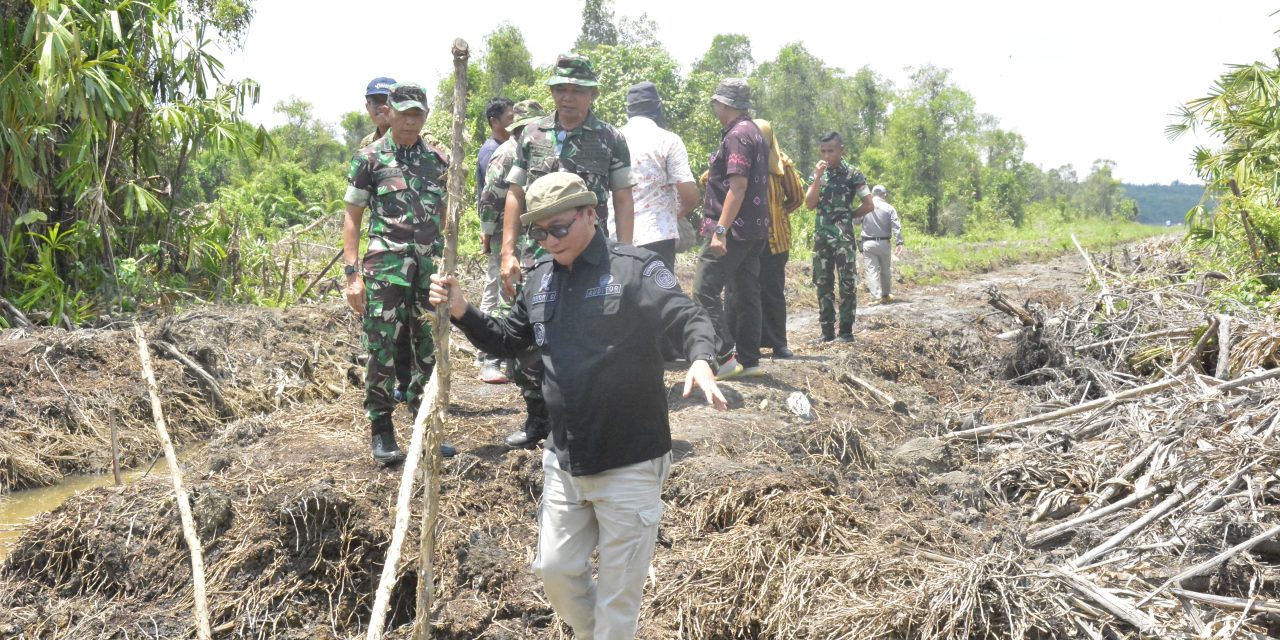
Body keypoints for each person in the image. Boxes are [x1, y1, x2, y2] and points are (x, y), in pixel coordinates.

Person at [428, 172, 727, 639]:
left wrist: (702, 359)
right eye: (539, 233)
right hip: (565, 457)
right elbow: (507, 339)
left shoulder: (635, 269)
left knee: (618, 600)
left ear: (591, 214)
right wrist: (462, 311)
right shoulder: (539, 280)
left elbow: (687, 317)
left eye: (559, 228)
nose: (550, 241)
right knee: (555, 571)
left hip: (630, 459)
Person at [342, 82, 456, 465]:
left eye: (416, 114)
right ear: (388, 112)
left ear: (425, 116)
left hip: (428, 273)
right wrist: (352, 275)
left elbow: (445, 216)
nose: (410, 121)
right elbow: (352, 218)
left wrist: (445, 261)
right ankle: (382, 430)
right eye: (403, 113)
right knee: (382, 349)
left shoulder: (439, 161)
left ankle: (427, 428)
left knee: (429, 349)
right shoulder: (369, 159)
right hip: (385, 272)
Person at [499, 53, 634, 300]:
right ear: (552, 92)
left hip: (591, 258)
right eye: (560, 89)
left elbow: (623, 198)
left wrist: (625, 256)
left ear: (593, 94)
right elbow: (515, 193)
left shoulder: (610, 138)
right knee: (536, 320)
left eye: (578, 90)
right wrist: (508, 253)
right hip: (539, 255)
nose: (567, 97)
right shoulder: (532, 135)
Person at [478, 99, 553, 448]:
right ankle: (494, 363)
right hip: (517, 250)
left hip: (548, 247)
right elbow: (492, 197)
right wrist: (491, 237)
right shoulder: (507, 153)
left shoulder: (550, 146)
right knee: (516, 322)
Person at [693, 78, 771, 380]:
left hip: (734, 229)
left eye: (716, 103)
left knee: (704, 289)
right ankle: (749, 360)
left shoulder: (737, 136)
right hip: (754, 229)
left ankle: (724, 356)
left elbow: (737, 188)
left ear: (724, 104)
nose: (714, 108)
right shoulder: (754, 131)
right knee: (746, 291)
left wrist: (720, 231)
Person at [619, 81, 699, 269]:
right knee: (658, 287)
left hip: (618, 235)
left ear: (629, 110)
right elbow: (690, 196)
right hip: (658, 235)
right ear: (657, 107)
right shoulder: (668, 140)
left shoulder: (613, 138)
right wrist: (676, 214)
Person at [803, 132, 873, 343]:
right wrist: (817, 177)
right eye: (823, 151)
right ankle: (826, 332)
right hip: (821, 238)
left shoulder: (853, 174)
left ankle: (845, 332)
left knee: (847, 283)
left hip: (843, 239)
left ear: (841, 150)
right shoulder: (819, 174)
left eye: (830, 151)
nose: (826, 155)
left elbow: (869, 204)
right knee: (822, 282)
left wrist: (848, 216)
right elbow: (809, 204)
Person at [752, 120, 804, 358]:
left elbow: (796, 197)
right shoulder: (738, 159)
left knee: (772, 290)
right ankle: (747, 342)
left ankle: (777, 343)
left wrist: (778, 214)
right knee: (745, 291)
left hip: (775, 240)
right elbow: (707, 179)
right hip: (746, 239)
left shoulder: (782, 163)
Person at [476, 97, 516, 384]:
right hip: (501, 232)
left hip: (510, 233)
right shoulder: (495, 151)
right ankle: (487, 355)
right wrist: (487, 233)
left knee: (504, 291)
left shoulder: (512, 147)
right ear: (494, 122)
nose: (515, 123)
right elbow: (489, 197)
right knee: (497, 291)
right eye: (510, 118)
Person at [860, 184, 904, 303]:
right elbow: (896, 226)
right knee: (885, 270)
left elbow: (855, 220)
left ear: (872, 194)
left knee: (871, 270)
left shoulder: (864, 206)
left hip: (868, 243)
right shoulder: (889, 208)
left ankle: (876, 297)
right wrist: (899, 242)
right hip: (884, 243)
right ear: (884, 195)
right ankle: (885, 295)